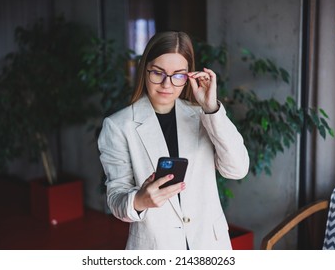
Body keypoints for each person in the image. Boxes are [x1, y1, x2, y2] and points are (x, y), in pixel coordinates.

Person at [98, 31, 249, 250]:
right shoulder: (118, 126)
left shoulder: (203, 116)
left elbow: (237, 169)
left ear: (189, 75)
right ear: (145, 69)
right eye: (158, 73)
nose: (167, 84)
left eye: (178, 75)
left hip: (209, 244)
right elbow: (116, 198)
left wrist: (211, 109)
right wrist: (140, 200)